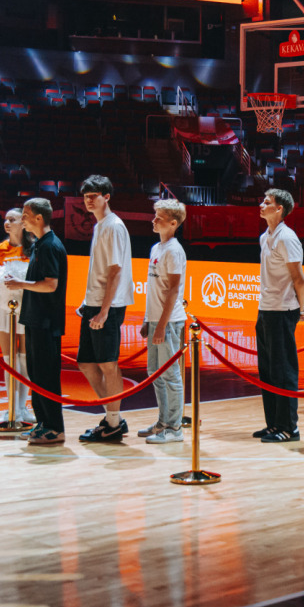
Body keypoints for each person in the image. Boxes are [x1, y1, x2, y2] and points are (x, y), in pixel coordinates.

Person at [76, 175, 136, 443]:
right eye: (86, 196)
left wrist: (104, 310)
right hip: (94, 303)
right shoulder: (100, 225)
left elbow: (115, 271)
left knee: (108, 364)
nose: (89, 200)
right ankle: (113, 418)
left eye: (94, 196)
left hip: (107, 306)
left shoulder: (113, 226)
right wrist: (88, 302)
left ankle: (113, 422)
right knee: (86, 363)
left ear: (107, 197)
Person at [5, 198, 68, 445]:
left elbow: (51, 284)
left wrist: (19, 284)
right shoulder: (40, 245)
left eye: (26, 215)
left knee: (46, 376)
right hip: (35, 320)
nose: (22, 219)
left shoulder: (50, 246)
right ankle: (43, 423)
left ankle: (54, 427)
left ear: (39, 218)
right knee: (37, 376)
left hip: (46, 322)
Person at [252, 188, 304, 443]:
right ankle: (273, 423)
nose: (261, 205)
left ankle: (289, 428)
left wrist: (301, 309)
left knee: (283, 371)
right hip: (265, 308)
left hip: (283, 310)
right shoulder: (265, 236)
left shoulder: (287, 238)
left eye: (267, 202)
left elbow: (299, 278)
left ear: (279, 209)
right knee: (267, 370)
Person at [138, 199, 188, 444]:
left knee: (170, 375)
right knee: (155, 373)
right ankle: (163, 422)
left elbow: (173, 290)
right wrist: (148, 320)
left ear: (173, 223)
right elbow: (154, 290)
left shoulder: (174, 250)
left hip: (169, 322)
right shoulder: (156, 248)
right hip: (157, 320)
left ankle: (174, 427)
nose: (153, 220)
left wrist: (160, 325)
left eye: (159, 217)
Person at [0, 208, 34, 425]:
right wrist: (2, 287)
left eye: (12, 219)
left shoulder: (34, 248)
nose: (7, 222)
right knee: (9, 359)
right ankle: (12, 407)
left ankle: (23, 407)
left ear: (23, 223)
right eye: (6, 219)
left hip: (27, 306)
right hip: (4, 307)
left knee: (24, 359)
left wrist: (22, 287)